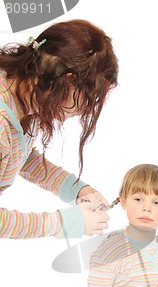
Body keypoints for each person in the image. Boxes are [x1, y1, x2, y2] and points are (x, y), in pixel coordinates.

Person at [0, 19, 119, 239]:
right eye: (88, 99)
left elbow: (18, 155)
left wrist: (75, 190)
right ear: (67, 80)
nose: (84, 111)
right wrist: (63, 223)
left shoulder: (29, 98)